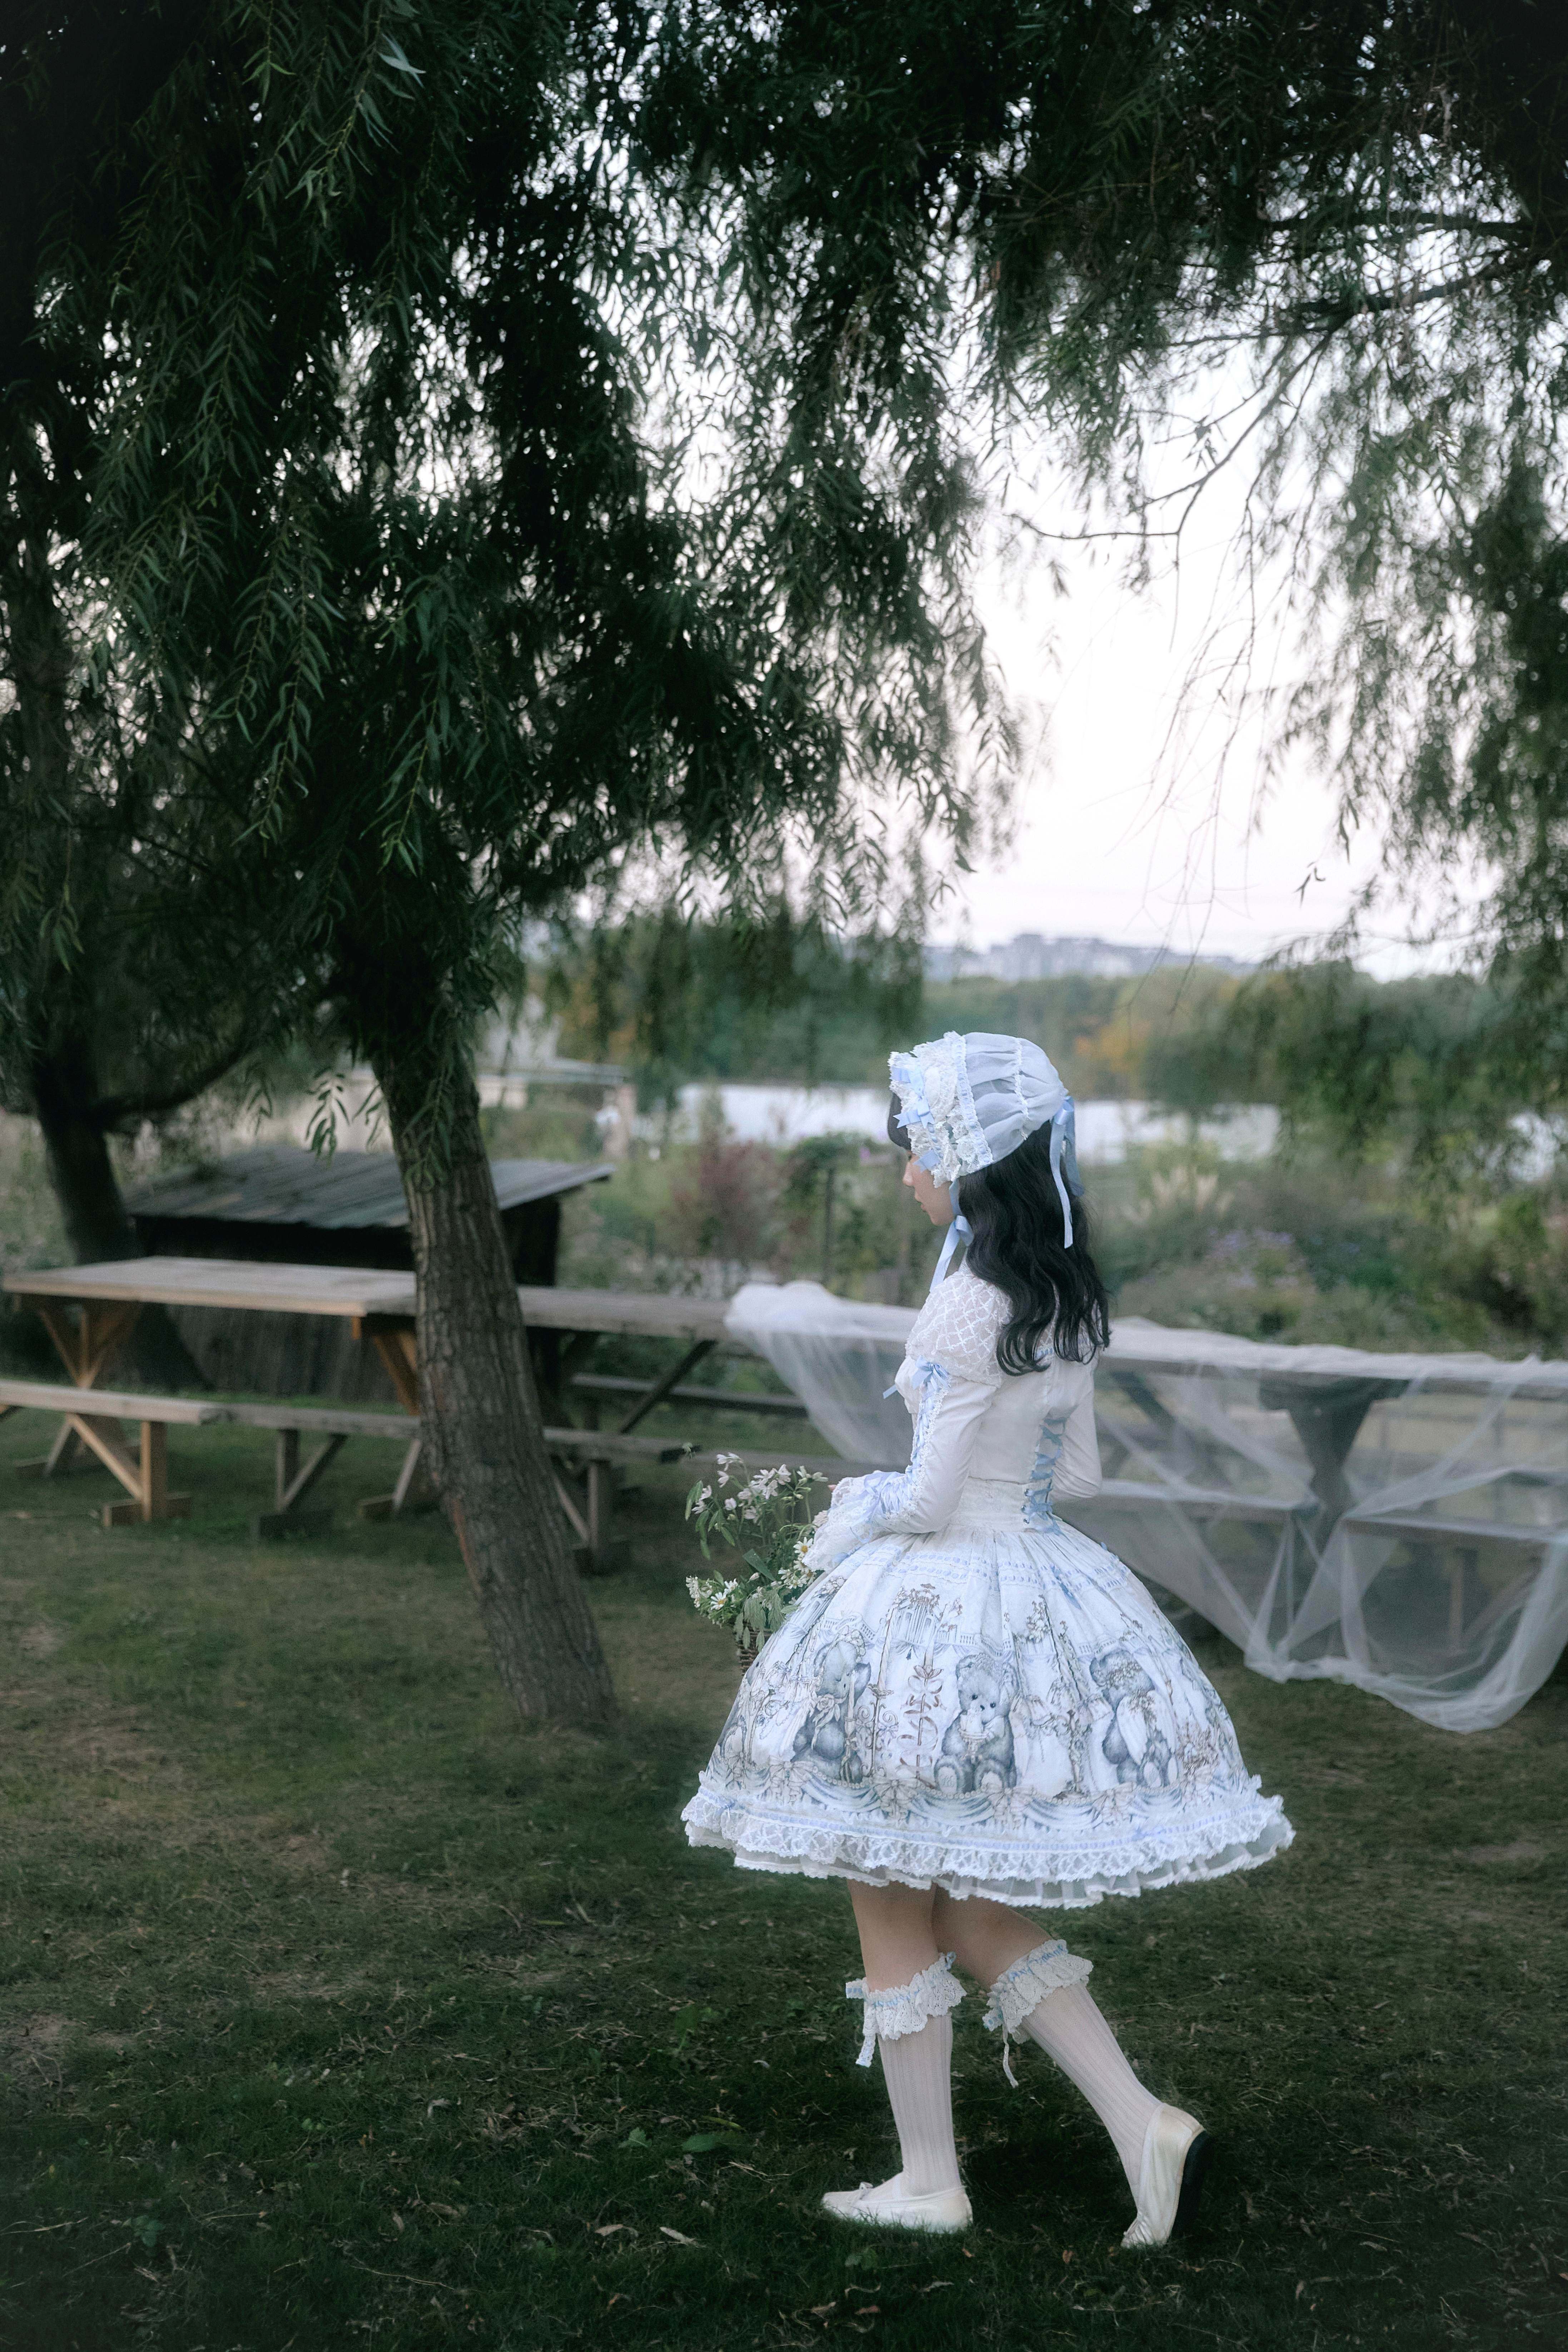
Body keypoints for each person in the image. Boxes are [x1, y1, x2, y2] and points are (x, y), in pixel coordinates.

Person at [682, 1031, 1292, 2241]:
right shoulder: (1064, 1294)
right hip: (1035, 1579)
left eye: (919, 1148)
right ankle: (1138, 2124)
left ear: (967, 1158)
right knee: (950, 1900)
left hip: (937, 1612)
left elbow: (922, 1498)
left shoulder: (969, 1296)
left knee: (886, 1883)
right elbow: (1082, 1473)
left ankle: (932, 2181)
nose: (909, 1170)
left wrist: (842, 1515)